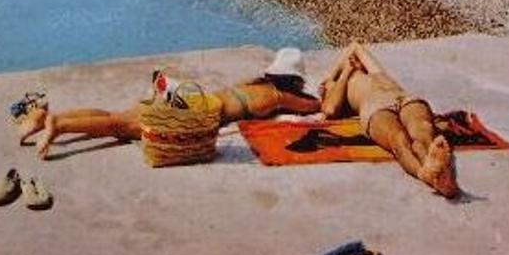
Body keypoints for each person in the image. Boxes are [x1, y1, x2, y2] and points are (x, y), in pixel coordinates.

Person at [18, 48, 321, 158]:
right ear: (293, 80)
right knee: (119, 126)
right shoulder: (279, 96)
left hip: (190, 96)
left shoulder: (254, 83)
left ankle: (51, 118)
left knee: (118, 118)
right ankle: (58, 125)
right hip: (195, 111)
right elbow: (318, 107)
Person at [318, 41, 458, 197]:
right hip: (374, 106)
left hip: (402, 97)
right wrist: (342, 73)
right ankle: (426, 175)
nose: (353, 59)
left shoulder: (374, 71)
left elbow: (355, 46)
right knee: (398, 138)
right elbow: (330, 109)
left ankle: (436, 168)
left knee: (423, 128)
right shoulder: (336, 84)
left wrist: (339, 69)